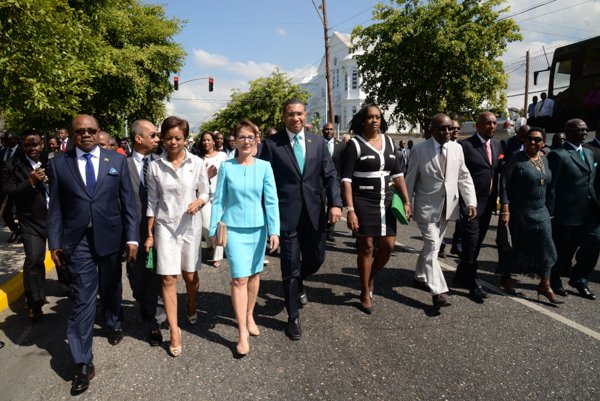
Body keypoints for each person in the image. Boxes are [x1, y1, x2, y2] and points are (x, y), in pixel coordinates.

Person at [47, 114, 138, 396]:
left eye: (91, 130)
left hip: (111, 236)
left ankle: (113, 322)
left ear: (98, 133)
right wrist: (55, 243)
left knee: (111, 286)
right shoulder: (58, 163)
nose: (86, 135)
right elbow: (56, 208)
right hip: (78, 242)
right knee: (83, 300)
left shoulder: (117, 161)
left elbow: (128, 202)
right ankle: (83, 364)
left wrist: (132, 237)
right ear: (71, 135)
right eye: (80, 131)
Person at [260, 99, 342, 340]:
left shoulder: (317, 143)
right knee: (290, 265)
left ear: (306, 116)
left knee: (317, 258)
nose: (295, 118)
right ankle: (292, 316)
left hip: (315, 215)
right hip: (286, 217)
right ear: (283, 117)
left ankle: (300, 282)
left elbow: (330, 175)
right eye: (290, 114)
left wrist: (336, 204)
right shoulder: (272, 145)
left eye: (299, 114)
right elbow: (264, 181)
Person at [209, 119, 280, 356]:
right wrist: (212, 230)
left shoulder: (265, 167)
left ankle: (250, 315)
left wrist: (274, 230)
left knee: (255, 275)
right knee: (239, 278)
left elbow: (271, 201)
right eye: (242, 137)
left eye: (251, 137)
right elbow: (218, 200)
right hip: (234, 230)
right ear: (235, 141)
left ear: (256, 140)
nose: (246, 141)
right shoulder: (227, 167)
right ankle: (241, 332)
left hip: (258, 229)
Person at [145, 116, 210, 356]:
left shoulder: (197, 163)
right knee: (168, 279)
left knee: (190, 276)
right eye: (168, 138)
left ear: (185, 139)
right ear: (162, 138)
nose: (173, 142)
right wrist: (149, 233)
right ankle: (174, 330)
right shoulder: (154, 166)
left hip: (190, 226)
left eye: (178, 138)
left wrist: (199, 201)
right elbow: (152, 201)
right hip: (165, 227)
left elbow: (205, 191)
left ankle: (191, 303)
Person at [341, 104, 411, 314]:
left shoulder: (389, 141)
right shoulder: (355, 144)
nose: (374, 121)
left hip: (387, 200)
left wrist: (407, 201)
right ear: (363, 120)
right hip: (363, 200)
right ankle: (364, 291)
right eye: (370, 117)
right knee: (367, 246)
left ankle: (370, 276)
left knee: (388, 245)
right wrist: (350, 209)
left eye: (378, 117)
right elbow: (345, 180)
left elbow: (398, 175)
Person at [405, 114, 476, 308]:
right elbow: (410, 178)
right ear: (432, 130)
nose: (447, 132)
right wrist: (406, 203)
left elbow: (464, 177)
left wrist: (471, 202)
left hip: (448, 207)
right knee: (431, 244)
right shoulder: (419, 150)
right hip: (425, 207)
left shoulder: (457, 148)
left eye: (449, 129)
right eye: (442, 129)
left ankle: (420, 277)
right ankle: (438, 291)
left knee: (433, 247)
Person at [498, 127, 560, 303]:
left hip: (541, 212)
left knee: (548, 248)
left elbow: (549, 187)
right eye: (529, 139)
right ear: (524, 141)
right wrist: (505, 209)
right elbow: (504, 185)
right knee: (517, 248)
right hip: (520, 212)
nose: (532, 142)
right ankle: (506, 277)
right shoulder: (515, 160)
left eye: (537, 140)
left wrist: (551, 210)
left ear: (543, 142)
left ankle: (545, 285)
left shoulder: (545, 160)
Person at [546, 118, 600, 300]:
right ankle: (553, 279)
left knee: (595, 241)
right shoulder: (558, 155)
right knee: (562, 251)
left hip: (590, 211)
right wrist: (550, 213)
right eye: (580, 130)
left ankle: (579, 278)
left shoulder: (589, 153)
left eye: (586, 130)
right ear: (568, 132)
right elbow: (552, 187)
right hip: (566, 213)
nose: (584, 133)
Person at [3, 130, 53, 320]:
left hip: (55, 218)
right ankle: (35, 303)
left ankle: (70, 287)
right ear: (22, 146)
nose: (32, 148)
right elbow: (10, 191)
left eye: (36, 144)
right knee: (34, 260)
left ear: (42, 145)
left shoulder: (50, 162)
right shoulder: (11, 165)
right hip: (31, 221)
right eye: (27, 145)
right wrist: (30, 181)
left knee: (66, 256)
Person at [454, 111, 503, 301]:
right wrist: (462, 202)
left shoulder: (498, 145)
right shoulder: (464, 146)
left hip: (488, 204)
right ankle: (473, 283)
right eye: (487, 123)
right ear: (478, 125)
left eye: (494, 123)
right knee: (471, 244)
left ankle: (460, 274)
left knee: (476, 244)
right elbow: (457, 176)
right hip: (471, 205)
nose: (492, 126)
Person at [126, 120, 165, 347]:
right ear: (138, 138)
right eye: (153, 135)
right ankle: (142, 300)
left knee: (155, 276)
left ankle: (155, 323)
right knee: (137, 277)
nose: (158, 139)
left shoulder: (161, 163)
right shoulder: (122, 164)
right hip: (133, 234)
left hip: (159, 232)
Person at [198, 131, 228, 267]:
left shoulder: (223, 156)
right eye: (204, 140)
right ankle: (210, 243)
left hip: (221, 196)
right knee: (205, 226)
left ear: (214, 141)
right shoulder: (198, 159)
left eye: (209, 140)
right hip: (204, 197)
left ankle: (218, 256)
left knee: (217, 226)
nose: (206, 142)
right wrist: (206, 176)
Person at [439, 119, 462, 258]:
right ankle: (440, 246)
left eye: (457, 128)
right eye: (452, 128)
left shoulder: (460, 147)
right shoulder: (432, 148)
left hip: (455, 196)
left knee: (459, 223)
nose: (455, 131)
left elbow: (464, 174)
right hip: (436, 199)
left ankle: (457, 246)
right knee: (433, 240)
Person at [322, 122, 344, 242]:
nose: (329, 131)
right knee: (320, 205)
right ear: (322, 131)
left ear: (334, 131)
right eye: (326, 129)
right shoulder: (317, 144)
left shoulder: (341, 146)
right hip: (320, 182)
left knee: (333, 205)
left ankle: (329, 231)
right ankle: (319, 229)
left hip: (335, 182)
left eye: (331, 129)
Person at [0, 130, 21, 243]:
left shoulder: (22, 151)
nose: (7, 141)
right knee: (5, 212)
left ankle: (21, 233)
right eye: (6, 139)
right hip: (5, 186)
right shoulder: (2, 152)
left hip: (19, 185)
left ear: (16, 139)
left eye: (10, 139)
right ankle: (15, 230)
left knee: (20, 211)